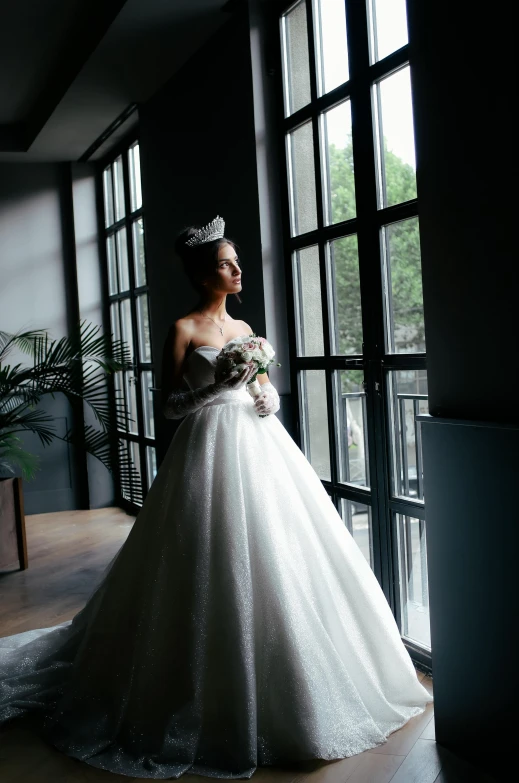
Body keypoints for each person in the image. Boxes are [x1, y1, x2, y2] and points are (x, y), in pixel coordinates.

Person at [0, 216, 432, 780]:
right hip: (207, 447)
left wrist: (263, 394)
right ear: (206, 273)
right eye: (228, 263)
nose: (238, 269)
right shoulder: (182, 328)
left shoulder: (247, 326)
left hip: (260, 445)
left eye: (236, 261)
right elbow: (169, 409)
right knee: (207, 551)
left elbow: (259, 388)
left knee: (281, 546)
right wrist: (217, 386)